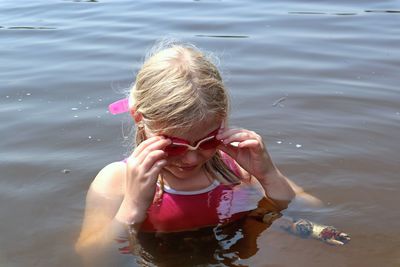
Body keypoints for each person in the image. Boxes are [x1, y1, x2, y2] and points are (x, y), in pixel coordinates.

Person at [75, 42, 335, 265]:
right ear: (139, 119)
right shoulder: (116, 180)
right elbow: (93, 258)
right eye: (173, 146)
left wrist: (267, 174)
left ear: (221, 121)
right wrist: (132, 207)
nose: (191, 158)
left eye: (207, 141)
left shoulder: (236, 167)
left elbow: (312, 210)